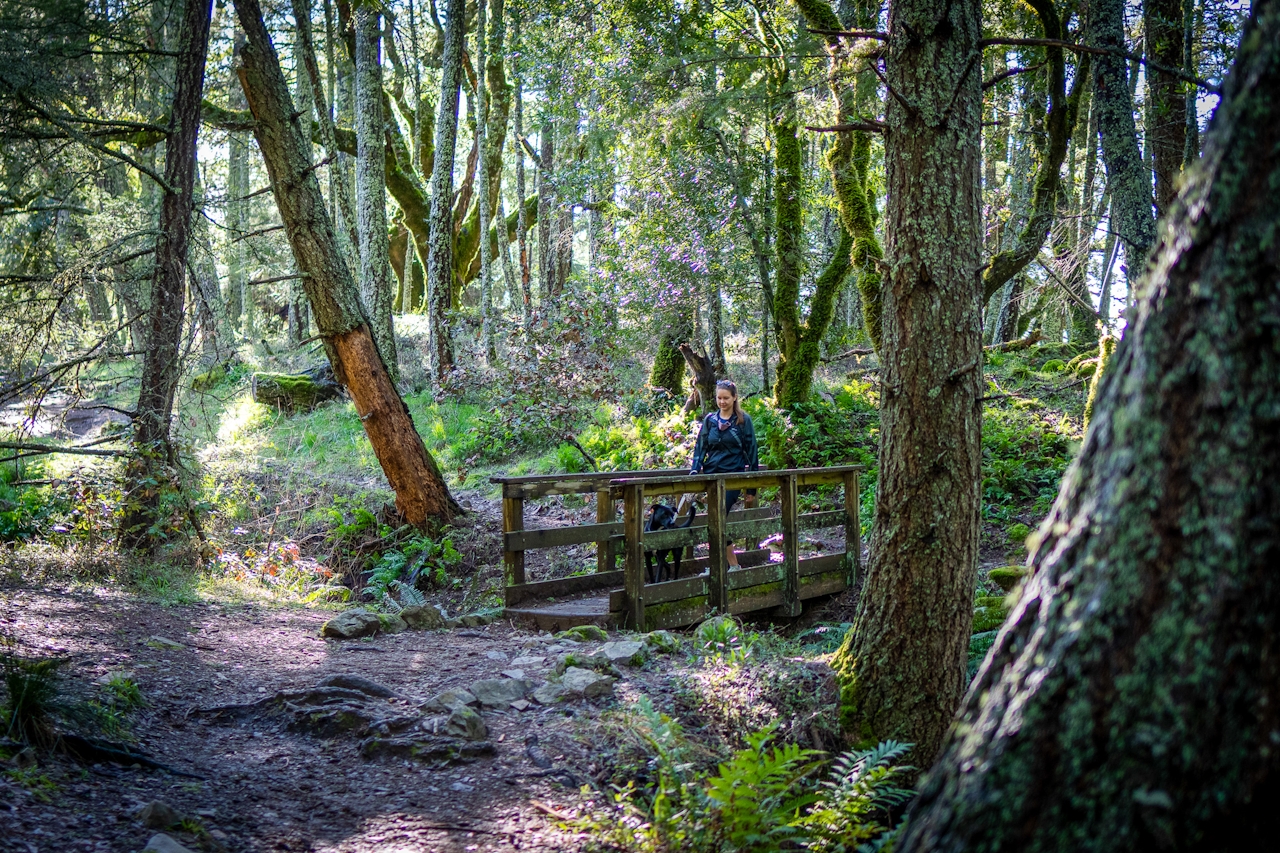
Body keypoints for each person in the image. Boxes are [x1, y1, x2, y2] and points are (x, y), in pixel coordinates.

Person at [689, 379, 759, 567]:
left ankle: (726, 566)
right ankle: (729, 566)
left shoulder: (743, 421)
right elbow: (701, 447)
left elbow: (752, 452)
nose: (722, 402)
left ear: (734, 398)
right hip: (712, 477)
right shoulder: (710, 420)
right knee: (715, 522)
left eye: (726, 398)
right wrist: (695, 468)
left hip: (732, 478)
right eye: (719, 398)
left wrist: (751, 488)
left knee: (717, 519)